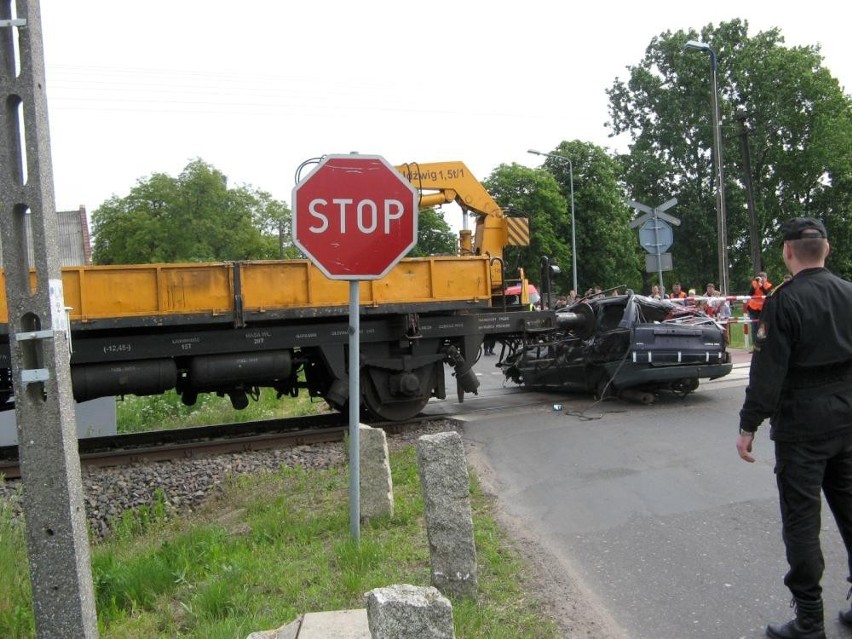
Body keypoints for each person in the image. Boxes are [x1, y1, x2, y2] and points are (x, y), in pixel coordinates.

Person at [736, 217, 852, 639]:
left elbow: (768, 372)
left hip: (803, 427)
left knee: (802, 523)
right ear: (828, 248)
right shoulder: (849, 292)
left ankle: (809, 621)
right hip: (848, 418)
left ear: (787, 252)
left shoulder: (783, 302)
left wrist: (748, 425)